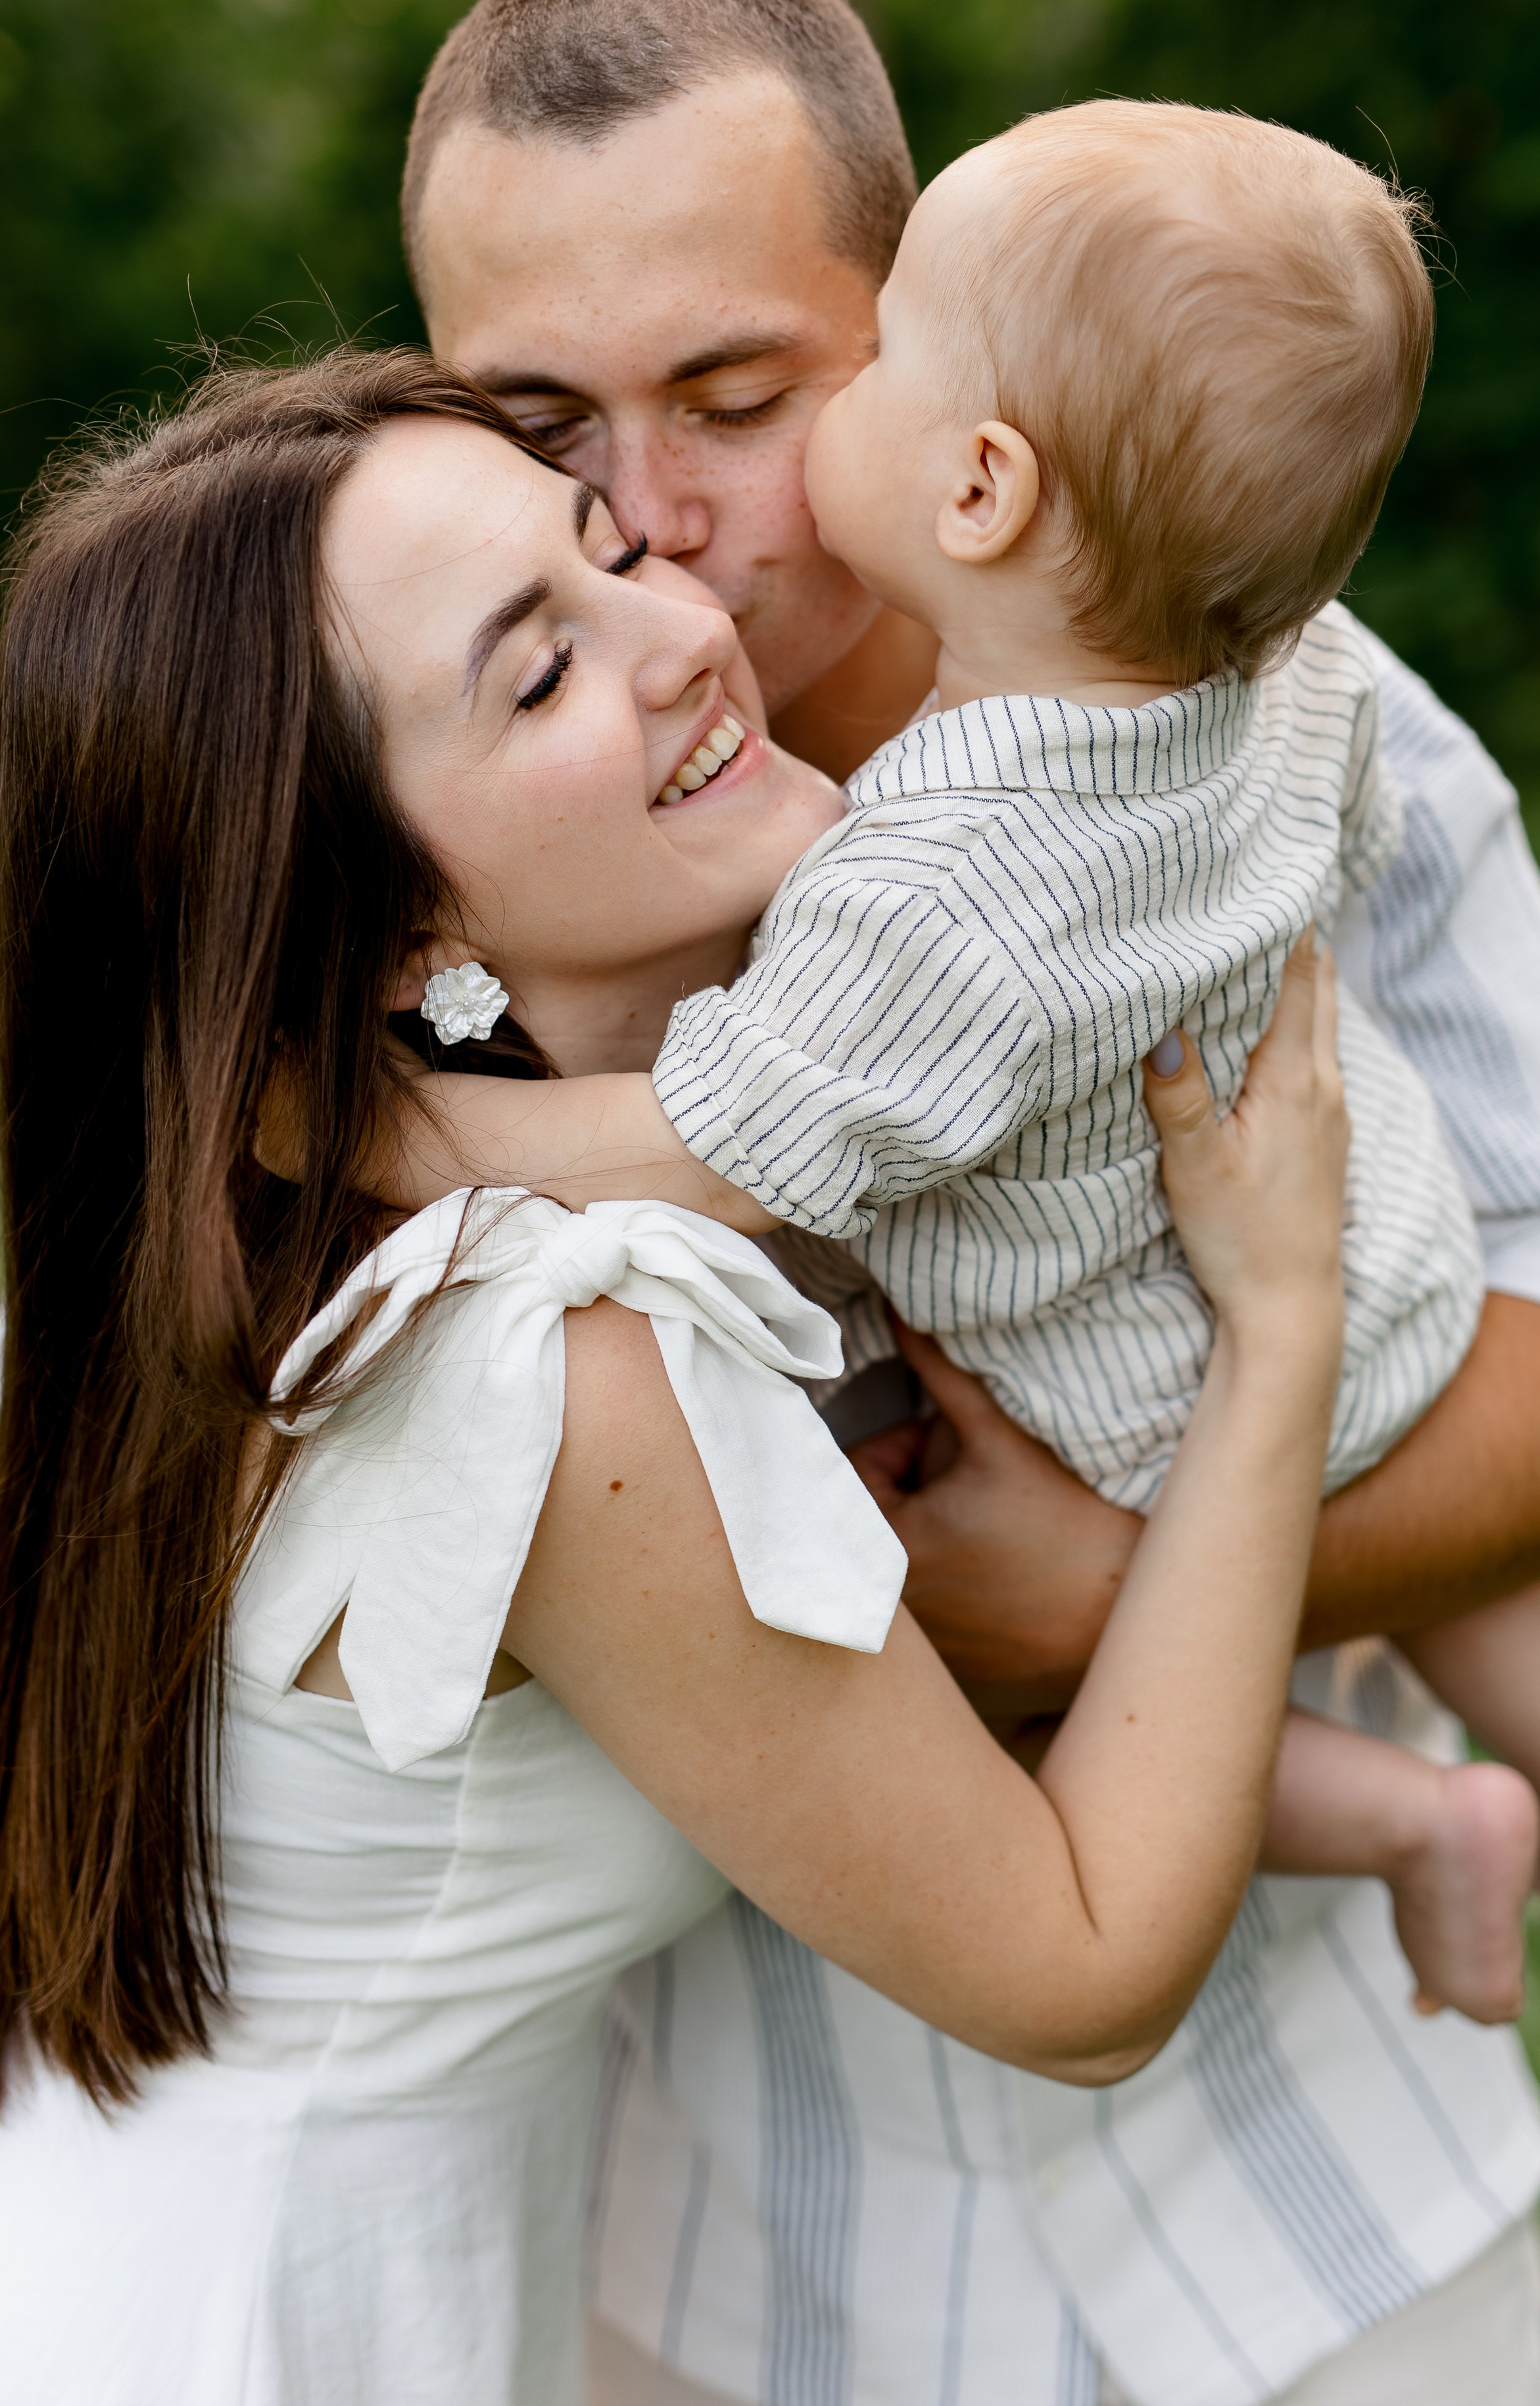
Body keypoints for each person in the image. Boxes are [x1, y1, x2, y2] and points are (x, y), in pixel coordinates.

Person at [402, 0, 1540, 2406]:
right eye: (540, 417)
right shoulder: (420, 804)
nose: (651, 522)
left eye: (740, 394)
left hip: (1310, 2212)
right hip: (705, 2213)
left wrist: (1116, 1584)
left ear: (924, 354)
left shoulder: (1265, 681)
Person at [0, 350, 1351, 2406]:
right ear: (386, 932)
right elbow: (1082, 1970)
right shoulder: (561, 1367)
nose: (685, 633)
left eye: (614, 549)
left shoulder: (227, 1237)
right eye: (538, 675)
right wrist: (1282, 1336)